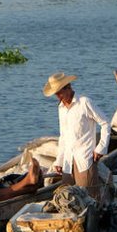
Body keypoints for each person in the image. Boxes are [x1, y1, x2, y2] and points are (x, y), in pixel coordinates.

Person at [43, 72, 111, 207]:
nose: (58, 97)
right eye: (56, 94)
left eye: (59, 93)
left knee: (91, 199)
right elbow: (63, 136)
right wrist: (59, 160)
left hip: (85, 158)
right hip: (68, 161)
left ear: (68, 88)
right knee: (68, 198)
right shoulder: (61, 108)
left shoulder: (84, 102)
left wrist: (100, 148)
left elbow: (105, 123)